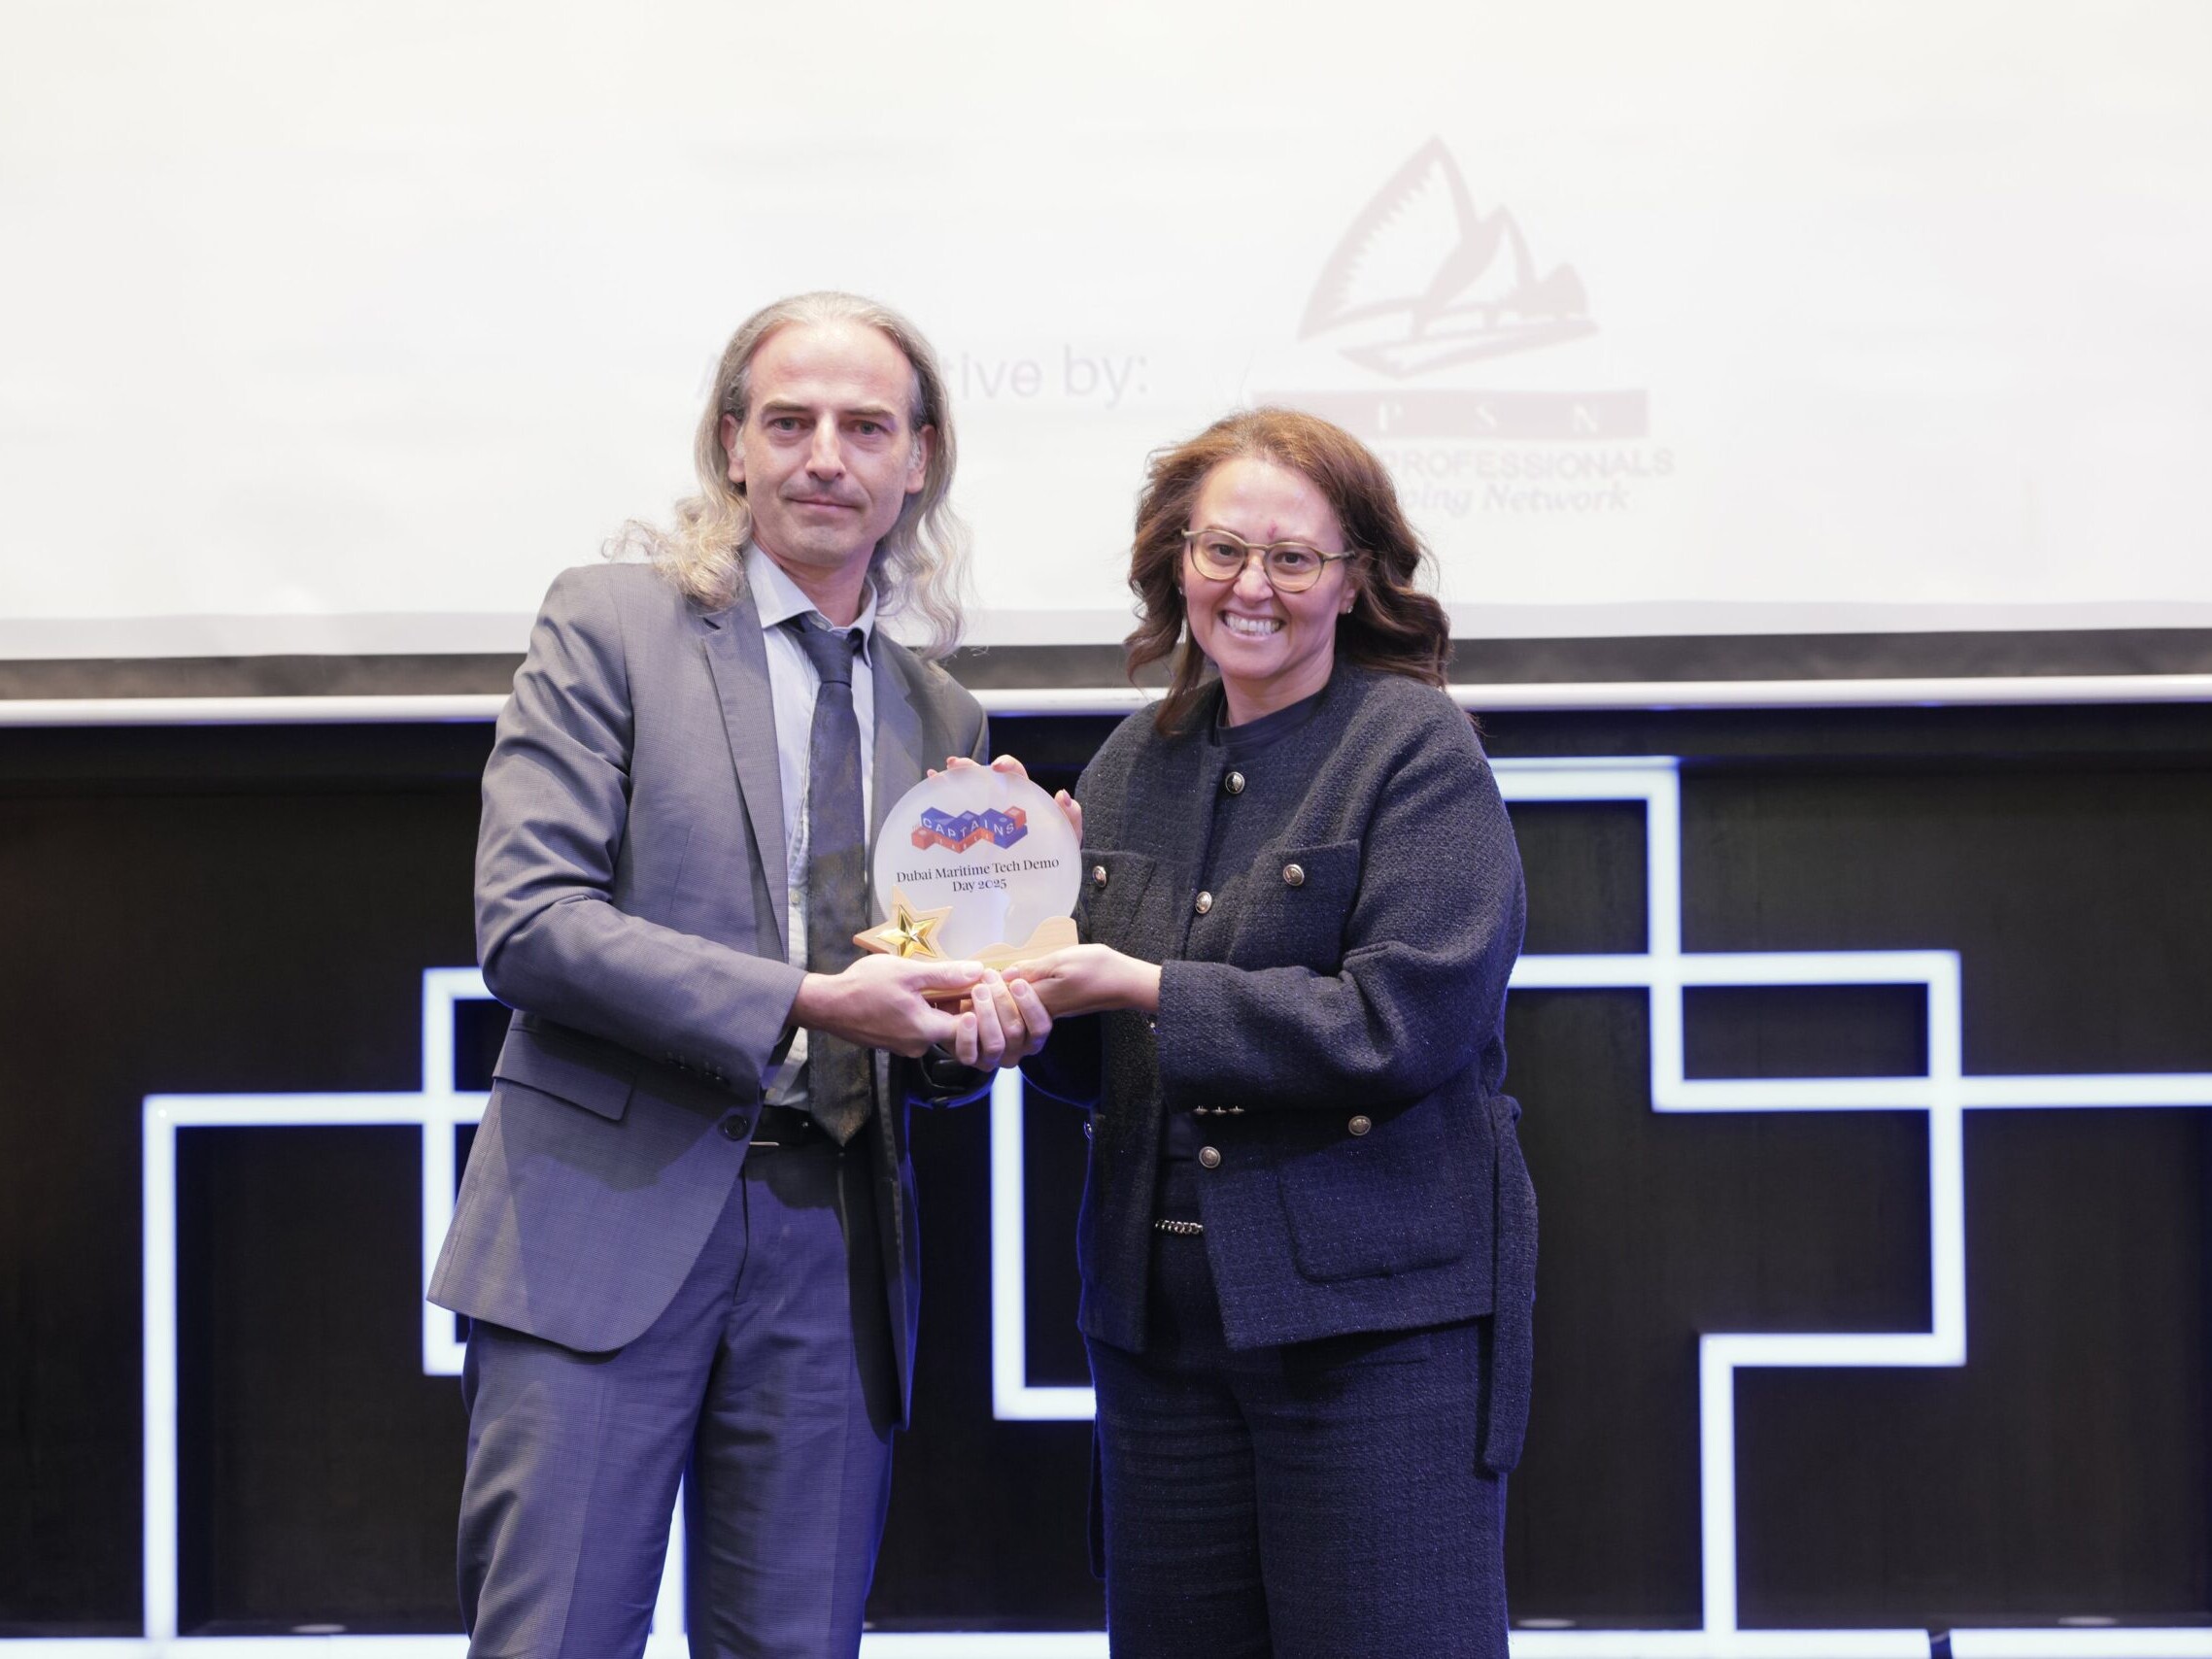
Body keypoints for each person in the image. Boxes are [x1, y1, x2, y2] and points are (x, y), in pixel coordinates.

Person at [427, 291, 1050, 1659]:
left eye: (865, 427)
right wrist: (806, 1002)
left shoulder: (941, 715)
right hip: (603, 1222)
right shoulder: (610, 623)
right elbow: (529, 922)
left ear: (919, 459)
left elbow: (912, 1013)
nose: (826, 456)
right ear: (731, 445)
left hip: (833, 1244)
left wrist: (981, 1023)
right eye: (789, 422)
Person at [1015, 407, 1534, 1658]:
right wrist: (1018, 996)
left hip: (1372, 1339)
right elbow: (1102, 1060)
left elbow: (1400, 1024)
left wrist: (1143, 985)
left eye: (1294, 558)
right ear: (1176, 559)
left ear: (1354, 580)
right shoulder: (1132, 760)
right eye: (1223, 550)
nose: (1253, 586)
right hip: (1157, 1336)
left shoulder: (1415, 747)